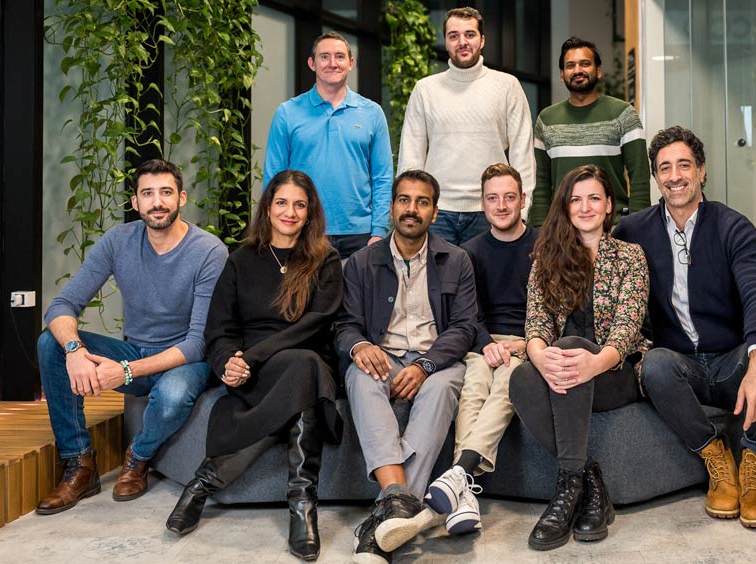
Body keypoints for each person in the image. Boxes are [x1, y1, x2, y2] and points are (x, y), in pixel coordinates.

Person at [614, 126, 756, 529]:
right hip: (681, 366)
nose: (674, 175)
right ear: (656, 178)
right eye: (664, 168)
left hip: (729, 361)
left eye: (684, 165)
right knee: (655, 364)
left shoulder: (733, 227)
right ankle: (717, 459)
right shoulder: (632, 231)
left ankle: (754, 465)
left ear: (702, 171)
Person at [164, 170, 343, 560]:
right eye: (282, 203)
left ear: (310, 212)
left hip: (301, 359)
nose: (290, 212)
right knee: (301, 382)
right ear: (268, 207)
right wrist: (228, 362)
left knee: (305, 365)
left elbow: (316, 323)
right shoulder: (240, 260)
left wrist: (252, 356)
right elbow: (219, 328)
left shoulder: (324, 260)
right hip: (252, 372)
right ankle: (300, 506)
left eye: (300, 204)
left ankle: (206, 485)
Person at [35, 159, 228, 514]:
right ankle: (80, 465)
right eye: (148, 193)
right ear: (135, 202)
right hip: (134, 350)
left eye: (166, 192)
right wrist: (75, 350)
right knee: (51, 343)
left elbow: (198, 342)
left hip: (185, 361)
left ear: (181, 198)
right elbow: (63, 305)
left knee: (171, 394)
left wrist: (125, 372)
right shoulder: (118, 241)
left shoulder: (209, 251)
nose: (158, 202)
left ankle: (138, 458)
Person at [335, 170, 477, 563]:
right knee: (360, 378)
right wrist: (361, 345)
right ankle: (403, 506)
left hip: (437, 358)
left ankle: (384, 516)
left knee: (445, 384)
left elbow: (465, 327)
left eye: (422, 201)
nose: (411, 209)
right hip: (384, 353)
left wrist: (427, 364)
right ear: (392, 206)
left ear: (434, 211)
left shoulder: (456, 260)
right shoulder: (361, 263)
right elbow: (345, 324)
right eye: (404, 200)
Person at [510, 164, 649, 551]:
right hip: (563, 373)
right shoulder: (547, 258)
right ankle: (587, 485)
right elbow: (535, 324)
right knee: (520, 378)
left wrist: (592, 361)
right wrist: (539, 359)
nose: (585, 207)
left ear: (608, 206)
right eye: (576, 199)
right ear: (565, 207)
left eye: (594, 198)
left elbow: (628, 327)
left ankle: (564, 496)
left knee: (571, 346)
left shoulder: (630, 257)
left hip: (613, 372)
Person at [425, 163, 538, 534]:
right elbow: (465, 315)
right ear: (482, 204)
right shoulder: (468, 253)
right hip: (482, 342)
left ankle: (458, 473)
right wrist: (487, 343)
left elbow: (555, 308)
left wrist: (527, 342)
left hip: (530, 341)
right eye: (493, 198)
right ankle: (466, 493)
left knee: (507, 383)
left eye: (509, 197)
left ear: (523, 199)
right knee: (473, 386)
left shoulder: (543, 245)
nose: (501, 205)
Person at [398, 7, 535, 245]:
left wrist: (521, 212)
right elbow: (411, 156)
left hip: (491, 210)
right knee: (436, 283)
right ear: (446, 42)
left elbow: (522, 155)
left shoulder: (507, 86)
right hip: (436, 212)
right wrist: (412, 207)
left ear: (482, 40)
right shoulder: (425, 90)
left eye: (470, 35)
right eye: (454, 36)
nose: (462, 42)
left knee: (489, 283)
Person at [263, 31, 393, 259]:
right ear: (312, 64)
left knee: (358, 296)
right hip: (303, 228)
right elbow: (273, 177)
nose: (332, 63)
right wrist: (274, 230)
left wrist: (379, 232)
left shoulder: (372, 113)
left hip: (360, 235)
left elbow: (382, 177)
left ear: (351, 63)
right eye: (324, 57)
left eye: (340, 57)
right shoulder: (288, 113)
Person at [529, 36, 650, 227]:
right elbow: (541, 182)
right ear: (562, 74)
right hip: (562, 230)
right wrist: (538, 229)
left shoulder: (623, 114)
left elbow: (640, 177)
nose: (577, 70)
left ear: (599, 71)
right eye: (570, 65)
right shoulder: (546, 120)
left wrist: (639, 225)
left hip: (612, 227)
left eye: (585, 64)